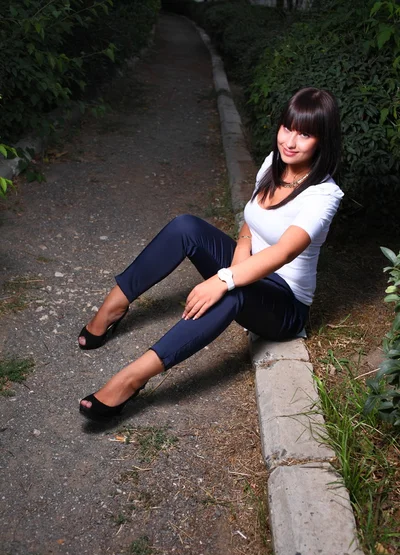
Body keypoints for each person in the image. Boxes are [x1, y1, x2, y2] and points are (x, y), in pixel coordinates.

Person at [78, 86, 343, 421]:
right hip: (248, 270)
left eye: (304, 134)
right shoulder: (273, 165)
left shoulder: (324, 195)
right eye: (287, 128)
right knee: (185, 226)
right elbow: (251, 222)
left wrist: (225, 280)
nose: (290, 141)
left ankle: (131, 379)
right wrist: (238, 256)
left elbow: (284, 252)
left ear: (322, 140)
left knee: (232, 296)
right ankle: (111, 309)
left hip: (286, 304)